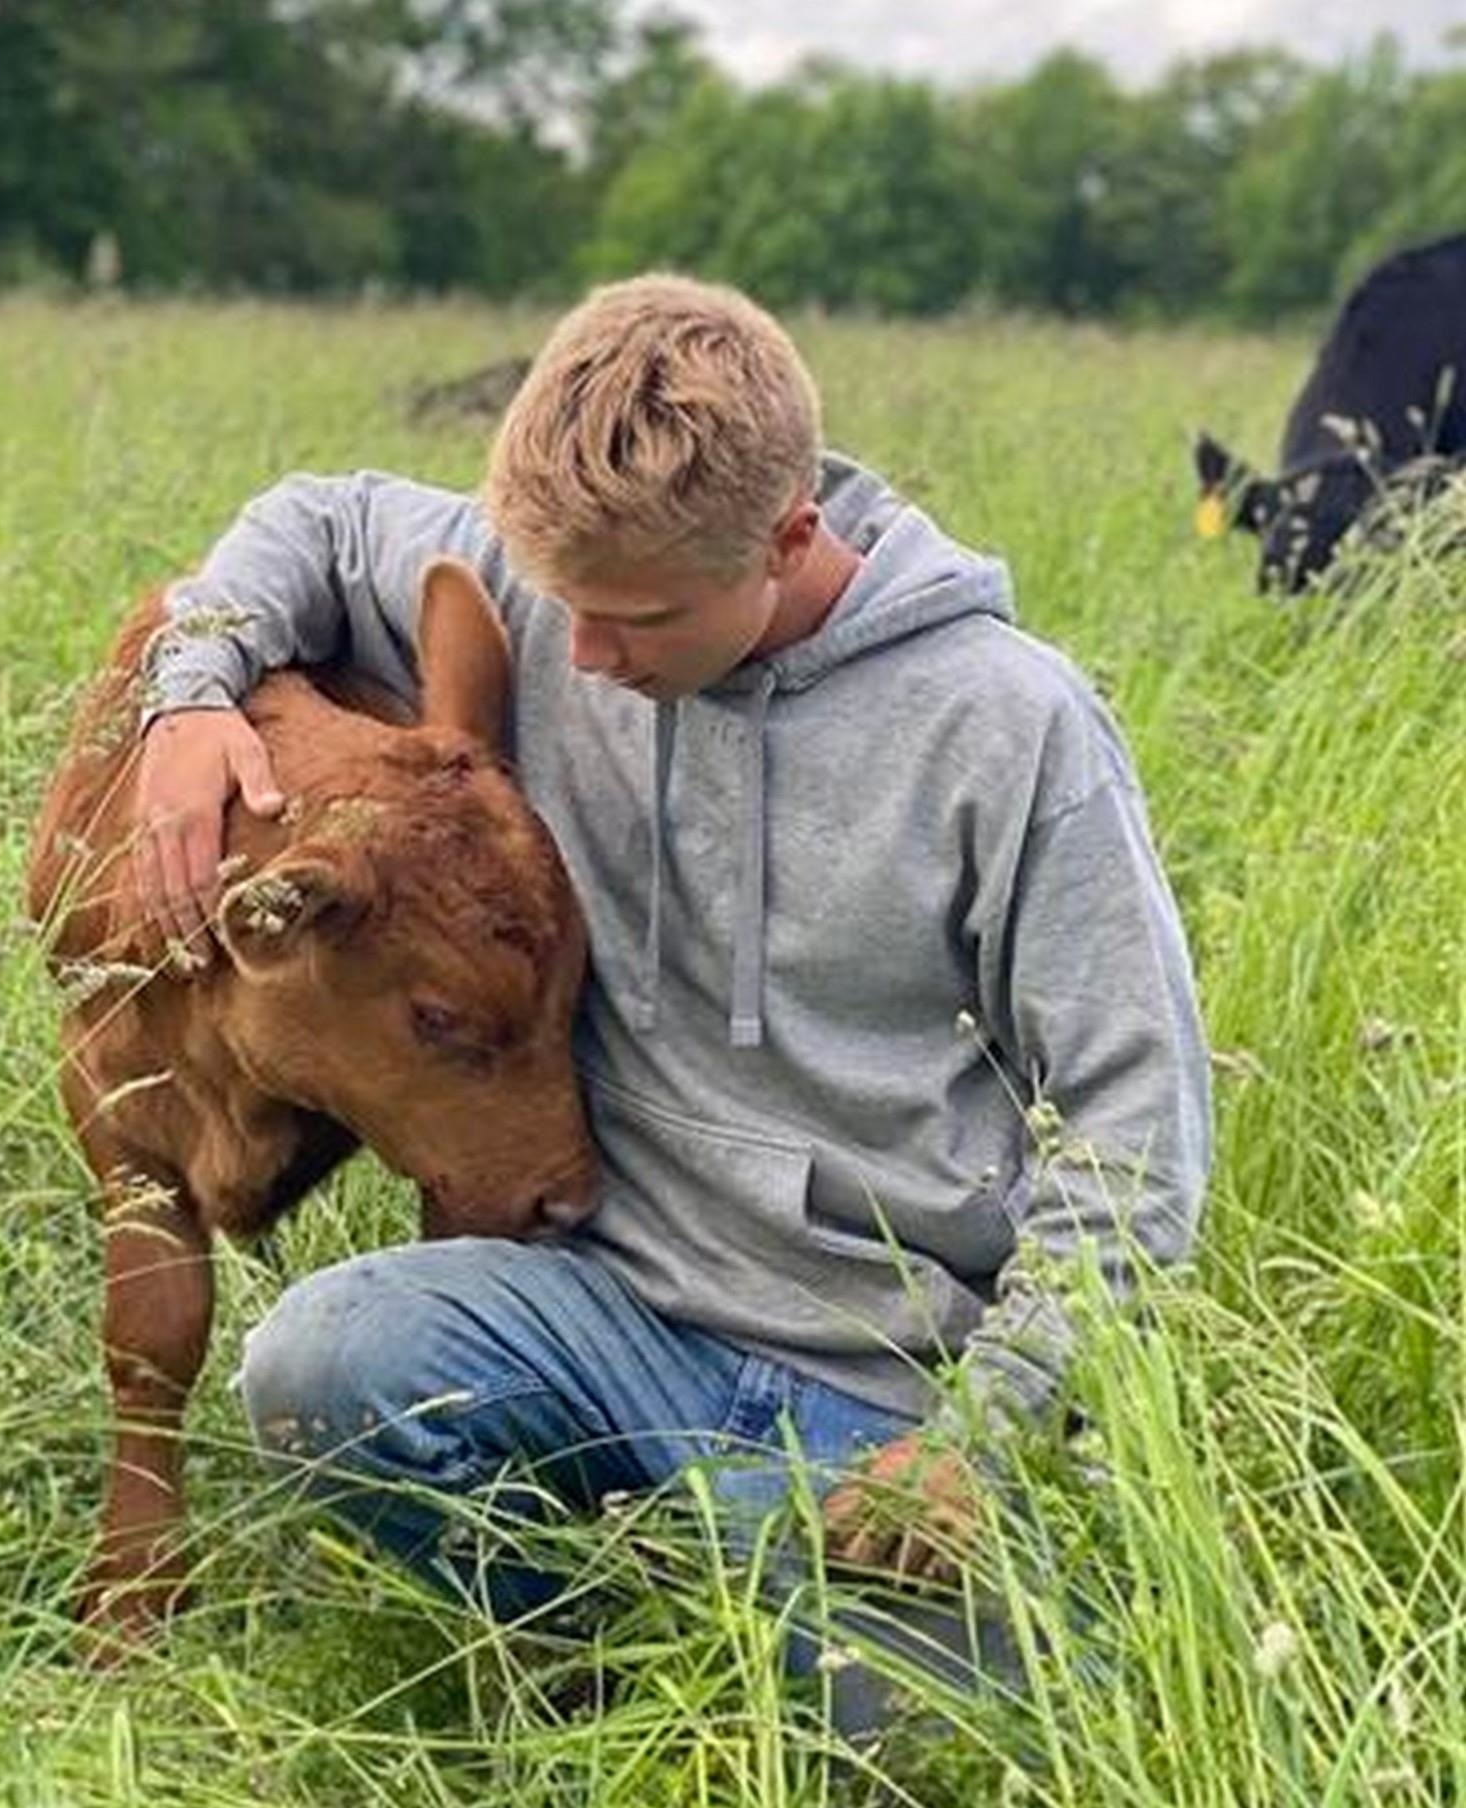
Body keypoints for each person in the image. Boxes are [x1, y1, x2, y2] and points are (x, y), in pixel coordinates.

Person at [127, 273, 1211, 1714]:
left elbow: (1136, 1129)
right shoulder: (570, 582)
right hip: (604, 1321)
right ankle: (580, 1677)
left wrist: (982, 1430)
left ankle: (782, 1629)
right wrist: (189, 692)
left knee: (945, 1734)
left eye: (635, 619)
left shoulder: (1006, 730)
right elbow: (315, 518)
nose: (579, 657)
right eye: (561, 602)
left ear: (787, 540)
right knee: (325, 1364)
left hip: (880, 1401)